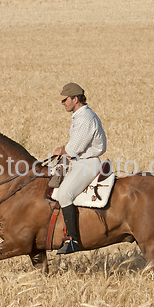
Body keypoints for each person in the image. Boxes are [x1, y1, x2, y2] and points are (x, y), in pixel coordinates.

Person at [53, 83, 107, 254]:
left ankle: (73, 240)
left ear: (75, 99)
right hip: (80, 162)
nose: (62, 103)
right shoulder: (80, 115)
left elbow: (73, 148)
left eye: (65, 100)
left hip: (87, 163)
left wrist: (62, 150)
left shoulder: (85, 118)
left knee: (64, 194)